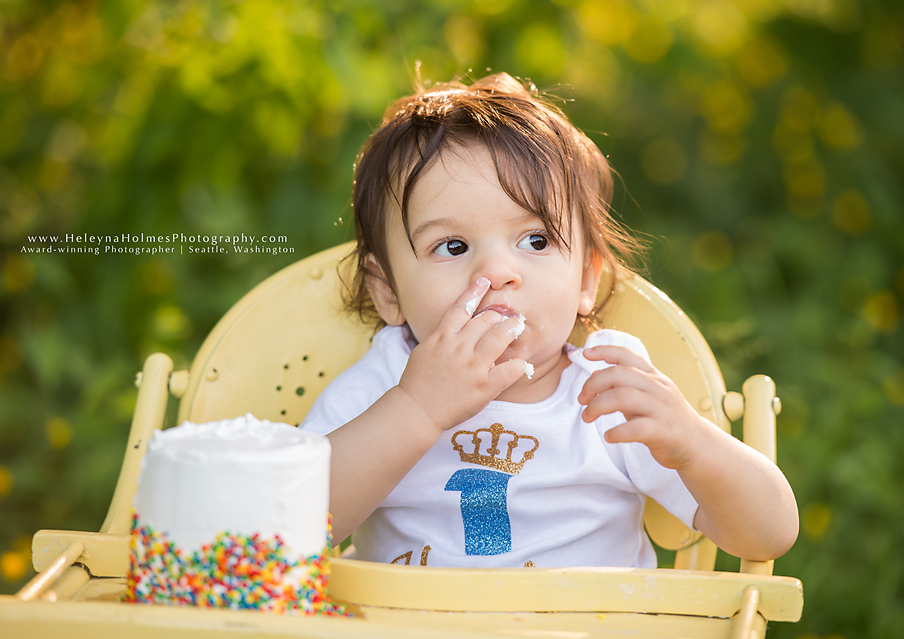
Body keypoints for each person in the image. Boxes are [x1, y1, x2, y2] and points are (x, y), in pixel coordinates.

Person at [300, 72, 798, 568]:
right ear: (387, 292)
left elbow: (767, 536)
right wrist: (417, 409)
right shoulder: (381, 386)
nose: (498, 272)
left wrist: (692, 444)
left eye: (535, 240)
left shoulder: (609, 395)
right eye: (452, 246)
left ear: (586, 279)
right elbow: (280, 534)